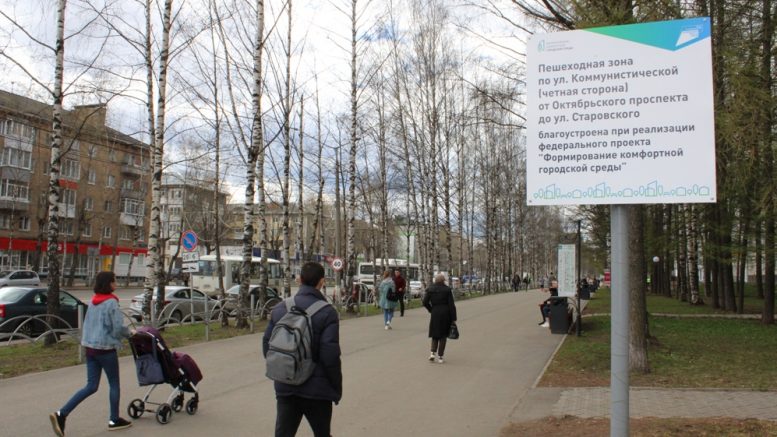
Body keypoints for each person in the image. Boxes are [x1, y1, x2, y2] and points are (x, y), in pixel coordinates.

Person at [262, 261, 342, 437]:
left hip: (286, 386)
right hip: (317, 390)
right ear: (322, 282)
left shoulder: (281, 308)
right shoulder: (327, 312)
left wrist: (284, 368)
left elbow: (267, 345)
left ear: (299, 279)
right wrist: (336, 387)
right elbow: (330, 356)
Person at [50, 271, 134, 437]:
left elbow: (88, 324)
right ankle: (114, 420)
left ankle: (61, 414)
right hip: (105, 349)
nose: (116, 284)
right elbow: (117, 328)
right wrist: (130, 333)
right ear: (109, 283)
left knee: (91, 386)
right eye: (114, 281)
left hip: (90, 349)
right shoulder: (111, 302)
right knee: (114, 384)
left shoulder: (93, 301)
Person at [422, 273, 457, 364]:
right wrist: (453, 318)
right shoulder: (447, 290)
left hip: (435, 312)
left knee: (435, 333)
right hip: (446, 313)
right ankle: (440, 357)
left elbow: (425, 302)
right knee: (443, 335)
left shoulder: (430, 289)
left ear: (435, 280)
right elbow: (451, 305)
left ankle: (432, 353)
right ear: (443, 281)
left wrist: (431, 309)